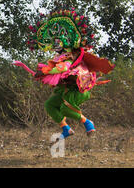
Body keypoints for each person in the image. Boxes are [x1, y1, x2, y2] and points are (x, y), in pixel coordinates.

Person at [14, 8, 114, 138]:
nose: (55, 44)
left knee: (65, 109)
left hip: (78, 90)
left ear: (65, 42)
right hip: (64, 89)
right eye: (53, 42)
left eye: (58, 42)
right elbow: (55, 70)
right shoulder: (57, 58)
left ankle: (88, 123)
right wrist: (38, 72)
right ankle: (66, 129)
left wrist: (45, 71)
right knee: (49, 105)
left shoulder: (71, 56)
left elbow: (64, 68)